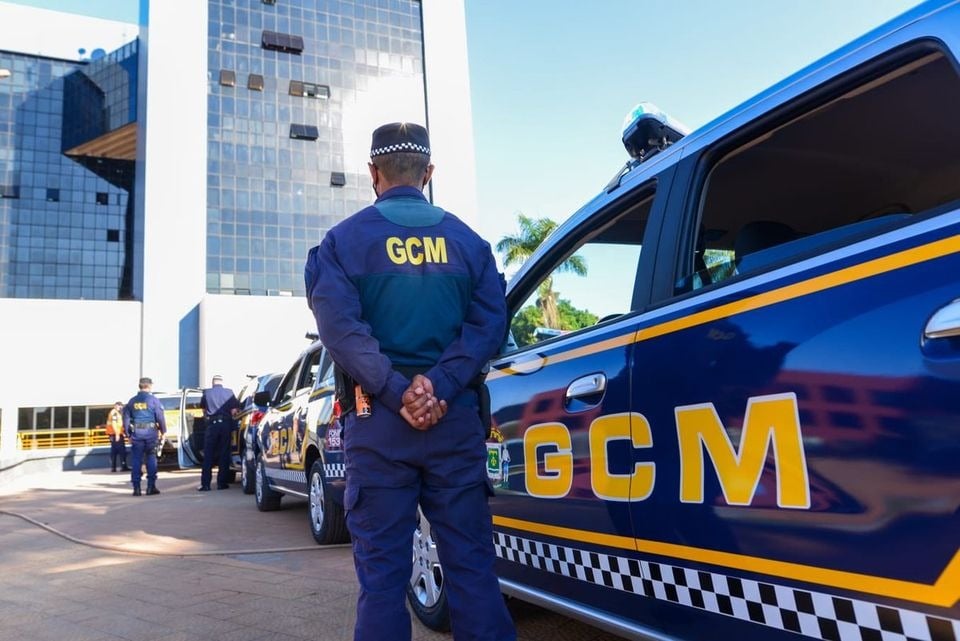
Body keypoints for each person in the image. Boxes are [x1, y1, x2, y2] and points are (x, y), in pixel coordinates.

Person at [305, 122, 516, 641]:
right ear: (429, 173)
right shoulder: (470, 244)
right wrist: (439, 387)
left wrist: (399, 392)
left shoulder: (342, 244)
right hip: (454, 424)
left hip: (378, 429)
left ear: (373, 173)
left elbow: (340, 331)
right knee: (471, 569)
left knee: (381, 582)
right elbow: (490, 324)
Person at [122, 377, 166, 496]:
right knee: (151, 458)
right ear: (150, 386)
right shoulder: (153, 400)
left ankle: (136, 488)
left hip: (137, 433)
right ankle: (150, 487)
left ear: (139, 386)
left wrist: (128, 434)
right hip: (151, 433)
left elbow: (125, 419)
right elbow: (160, 417)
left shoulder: (132, 401)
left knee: (136, 459)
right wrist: (163, 431)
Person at [198, 374, 239, 491]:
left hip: (212, 425)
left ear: (212, 383)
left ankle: (205, 484)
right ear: (222, 382)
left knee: (208, 455)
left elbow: (204, 410)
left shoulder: (207, 393)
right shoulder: (229, 392)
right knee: (224, 453)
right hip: (226, 425)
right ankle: (222, 483)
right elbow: (234, 411)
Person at [105, 401, 128, 473]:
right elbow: (114, 424)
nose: (121, 408)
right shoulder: (115, 413)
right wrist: (117, 434)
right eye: (120, 406)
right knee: (121, 451)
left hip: (113, 434)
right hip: (116, 434)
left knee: (114, 451)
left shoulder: (114, 412)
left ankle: (113, 468)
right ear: (116, 406)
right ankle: (123, 466)